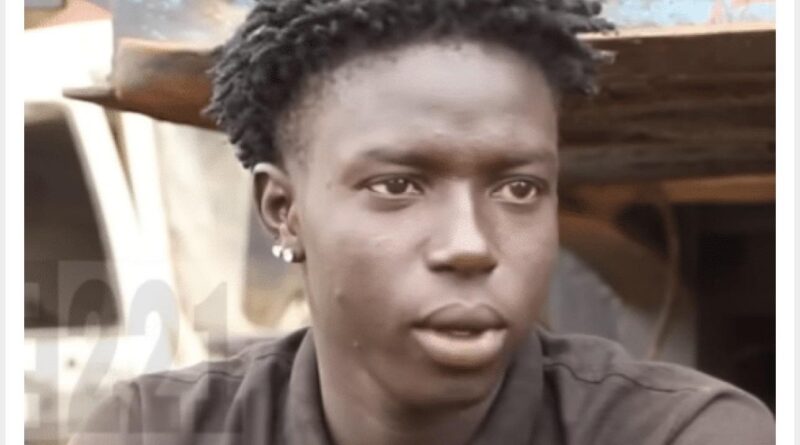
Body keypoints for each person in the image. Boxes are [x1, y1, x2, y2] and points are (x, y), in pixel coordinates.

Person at [72, 0, 775, 444]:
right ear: (283, 212)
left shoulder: (685, 433)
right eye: (398, 186)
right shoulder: (152, 432)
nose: (470, 245)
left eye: (519, 188)